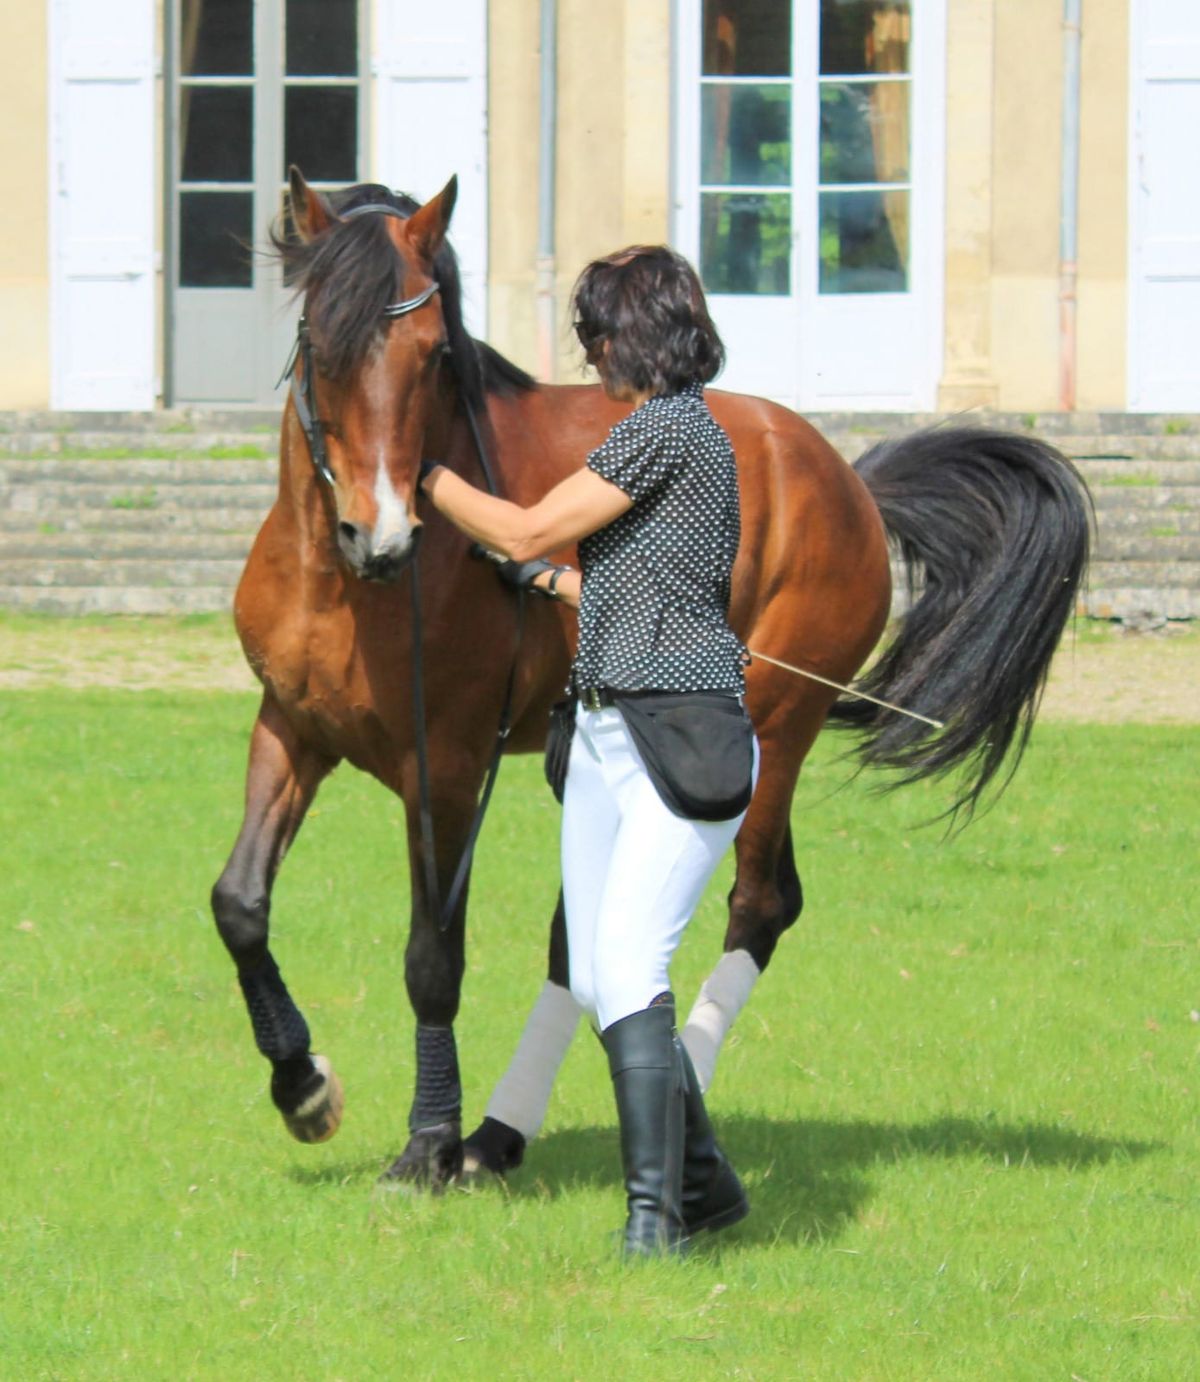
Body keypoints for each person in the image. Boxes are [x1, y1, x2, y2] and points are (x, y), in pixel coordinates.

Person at [419, 245, 757, 1257]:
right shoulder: (665, 438)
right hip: (607, 727)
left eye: (597, 330)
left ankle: (659, 1220)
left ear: (642, 332)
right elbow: (617, 575)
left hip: (675, 728)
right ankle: (707, 1184)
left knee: (627, 959)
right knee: (603, 978)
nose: (589, 350)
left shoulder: (669, 428)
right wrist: (560, 589)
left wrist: (426, 475)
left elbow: (527, 526)